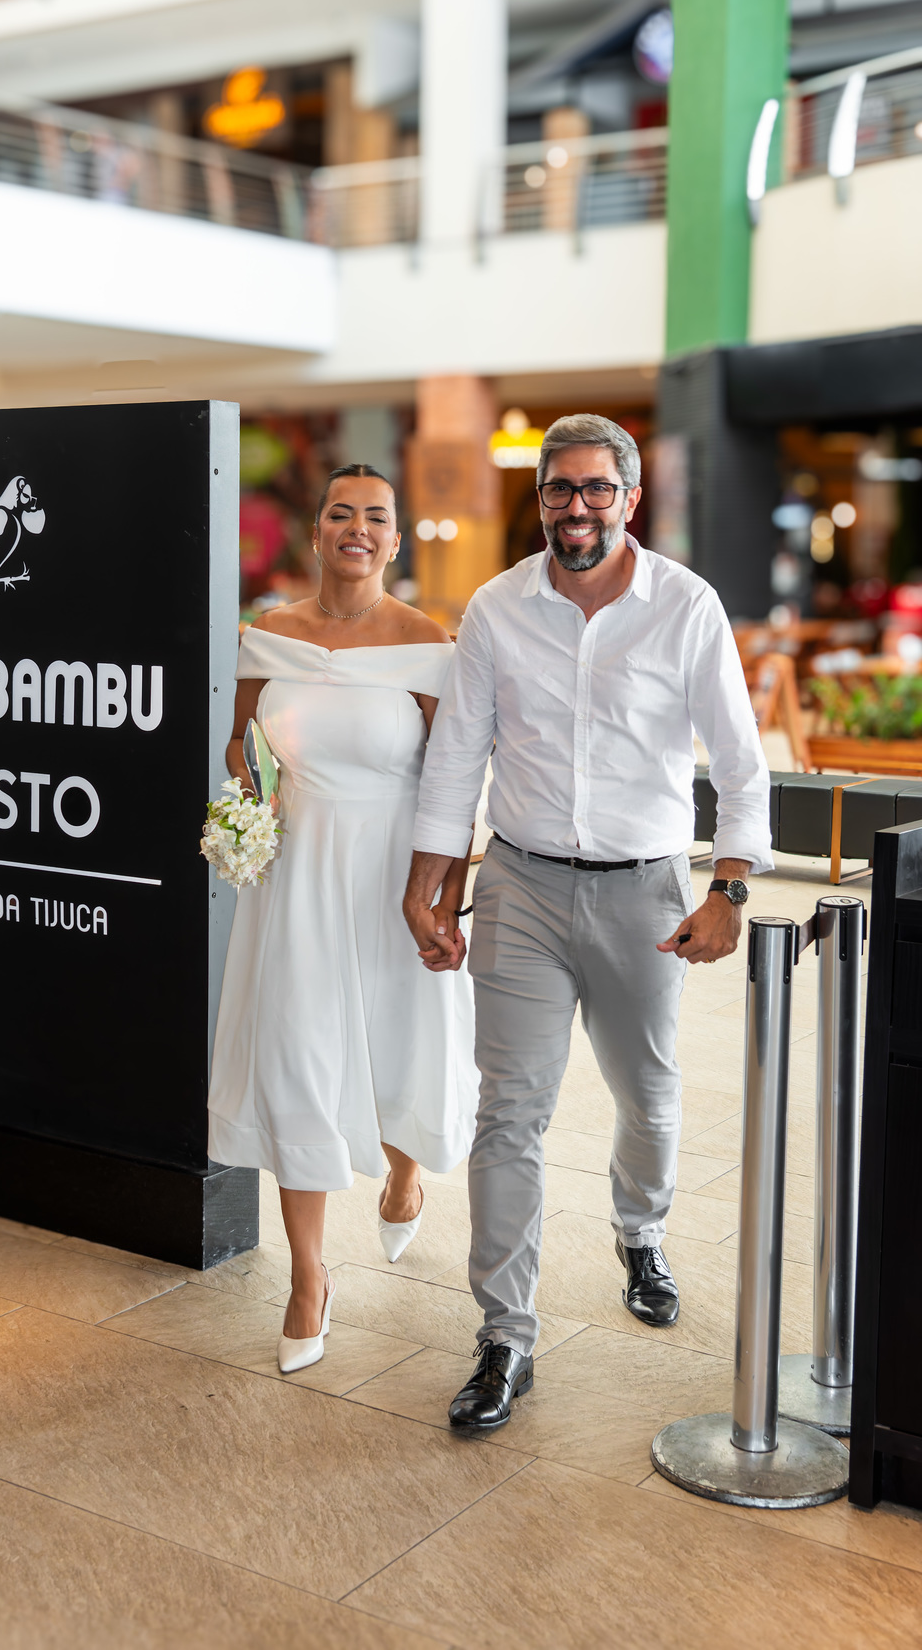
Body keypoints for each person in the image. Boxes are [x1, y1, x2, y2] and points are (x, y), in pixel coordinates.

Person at [403, 413, 772, 1432]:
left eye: (596, 488)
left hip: (644, 893)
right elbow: (457, 756)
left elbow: (741, 761)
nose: (577, 507)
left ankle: (640, 1232)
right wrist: (432, 881)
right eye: (559, 489)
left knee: (647, 1095)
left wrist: (729, 888)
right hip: (519, 887)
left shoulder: (686, 606)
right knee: (509, 1112)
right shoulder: (496, 607)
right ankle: (505, 1335)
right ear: (540, 501)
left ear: (630, 498)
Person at [209, 463, 477, 1375]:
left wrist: (443, 894)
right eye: (339, 513)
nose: (356, 528)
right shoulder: (266, 639)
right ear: (316, 531)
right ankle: (308, 1278)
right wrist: (249, 803)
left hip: (396, 875)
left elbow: (454, 779)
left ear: (395, 539)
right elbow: (242, 748)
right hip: (297, 882)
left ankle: (404, 1176)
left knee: (397, 1047)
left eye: (376, 516)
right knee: (300, 1057)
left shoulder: (428, 645)